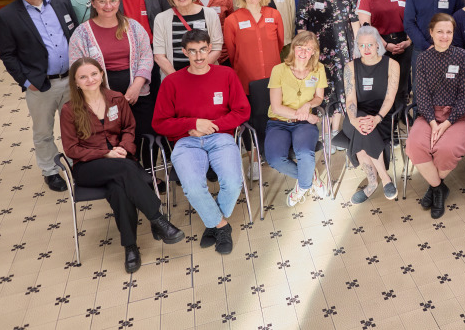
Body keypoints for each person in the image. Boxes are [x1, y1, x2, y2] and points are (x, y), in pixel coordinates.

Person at [60, 57, 183, 273]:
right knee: (126, 169)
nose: (90, 80)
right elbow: (71, 149)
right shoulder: (69, 110)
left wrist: (124, 148)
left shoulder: (116, 99)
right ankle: (157, 219)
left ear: (102, 74)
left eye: (94, 74)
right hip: (89, 167)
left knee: (119, 190)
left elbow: (129, 128)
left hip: (120, 160)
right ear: (76, 82)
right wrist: (106, 153)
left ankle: (130, 247)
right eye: (83, 77)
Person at [152, 29, 250, 255]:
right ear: (184, 52)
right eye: (193, 51)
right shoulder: (172, 82)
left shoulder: (226, 75)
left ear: (209, 49)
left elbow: (242, 111)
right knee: (194, 188)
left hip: (221, 137)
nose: (198, 56)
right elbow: (159, 123)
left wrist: (212, 126)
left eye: (203, 50)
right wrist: (192, 124)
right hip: (186, 142)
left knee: (233, 183)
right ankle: (221, 226)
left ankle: (212, 223)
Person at [0, 0, 78, 191]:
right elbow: (7, 54)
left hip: (72, 80)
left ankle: (77, 164)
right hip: (40, 84)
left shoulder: (62, 2)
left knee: (75, 125)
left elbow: (75, 34)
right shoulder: (7, 16)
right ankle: (50, 171)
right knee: (43, 131)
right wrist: (26, 81)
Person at [68, 0, 155, 168]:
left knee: (144, 132)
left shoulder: (134, 27)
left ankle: (148, 173)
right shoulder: (81, 33)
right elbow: (77, 67)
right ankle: (127, 172)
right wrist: (105, 95)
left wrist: (136, 86)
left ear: (119, 1)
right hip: (101, 96)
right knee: (115, 137)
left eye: (113, 1)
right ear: (93, 3)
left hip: (138, 92)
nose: (108, 6)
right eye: (102, 1)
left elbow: (146, 56)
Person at [405, 14, 465, 219]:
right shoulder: (423, 59)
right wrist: (432, 123)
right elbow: (422, 94)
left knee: (446, 149)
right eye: (440, 32)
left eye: (449, 32)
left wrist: (445, 124)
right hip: (429, 115)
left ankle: (434, 187)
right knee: (414, 145)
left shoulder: (463, 57)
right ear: (431, 33)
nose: (444, 36)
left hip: (458, 116)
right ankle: (438, 188)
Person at [296, 0, 360, 138]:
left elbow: (354, 18)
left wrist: (357, 48)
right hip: (318, 49)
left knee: (342, 87)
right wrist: (305, 51)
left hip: (344, 47)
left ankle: (335, 130)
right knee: (322, 88)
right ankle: (324, 132)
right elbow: (301, 22)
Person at [264, 31, 328, 206]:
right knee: (275, 160)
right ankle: (311, 177)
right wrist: (306, 115)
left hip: (304, 124)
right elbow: (276, 107)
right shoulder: (279, 70)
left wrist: (308, 105)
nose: (303, 52)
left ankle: (302, 186)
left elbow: (319, 97)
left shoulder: (319, 69)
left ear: (314, 51)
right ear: (293, 48)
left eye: (308, 49)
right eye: (300, 47)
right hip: (278, 123)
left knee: (305, 153)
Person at [342, 26, 401, 203]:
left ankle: (372, 183)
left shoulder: (392, 65)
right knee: (362, 127)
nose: (366, 49)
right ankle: (385, 179)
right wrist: (354, 120)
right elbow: (350, 100)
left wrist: (377, 118)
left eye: (370, 45)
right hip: (355, 117)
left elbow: (390, 98)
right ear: (357, 47)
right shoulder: (350, 67)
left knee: (363, 132)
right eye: (362, 45)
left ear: (378, 45)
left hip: (383, 116)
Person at [357, 0, 411, 104]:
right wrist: (385, 45)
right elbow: (366, 26)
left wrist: (408, 41)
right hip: (379, 44)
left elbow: (413, 19)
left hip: (404, 43)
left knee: (401, 88)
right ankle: (384, 117)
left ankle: (400, 116)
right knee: (383, 87)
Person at [223, 0, 284, 95]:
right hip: (247, 83)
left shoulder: (274, 15)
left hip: (274, 80)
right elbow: (233, 54)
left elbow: (279, 44)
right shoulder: (231, 21)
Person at [152, 0, 223, 79]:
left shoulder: (210, 14)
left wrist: (197, 73)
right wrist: (178, 79)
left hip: (206, 76)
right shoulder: (161, 19)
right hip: (175, 78)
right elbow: (159, 56)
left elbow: (217, 49)